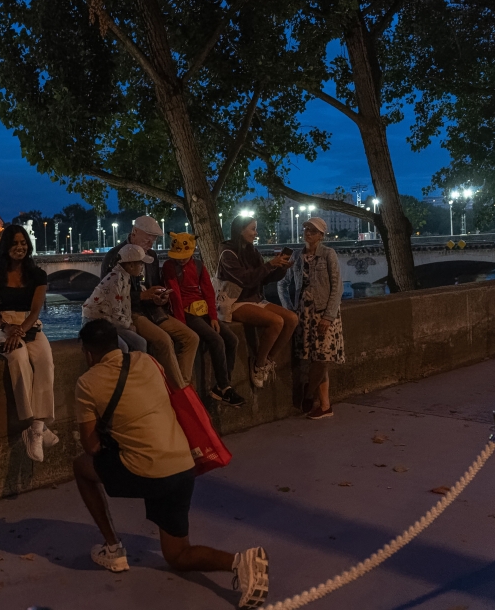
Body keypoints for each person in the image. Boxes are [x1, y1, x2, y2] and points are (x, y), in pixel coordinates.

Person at [72, 320, 269, 608]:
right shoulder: (148, 359)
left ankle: (113, 547)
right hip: (181, 465)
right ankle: (240, 562)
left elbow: (91, 446)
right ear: (118, 342)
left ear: (88, 353)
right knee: (177, 555)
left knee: (81, 467)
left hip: (148, 471)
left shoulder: (87, 383)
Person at [0, 224, 57, 463]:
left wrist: (21, 330)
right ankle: (31, 422)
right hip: (2, 326)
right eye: (15, 243)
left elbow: (35, 311)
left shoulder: (38, 275)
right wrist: (7, 329)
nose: (20, 247)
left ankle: (36, 428)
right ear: (6, 246)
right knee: (18, 357)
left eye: (23, 243)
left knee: (45, 361)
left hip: (29, 325)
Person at [101, 216, 199, 389]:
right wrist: (142, 296)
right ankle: (178, 389)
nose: (151, 243)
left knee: (192, 338)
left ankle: (182, 383)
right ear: (134, 232)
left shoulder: (151, 255)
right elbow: (108, 294)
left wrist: (160, 295)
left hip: (154, 310)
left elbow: (153, 283)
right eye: (148, 238)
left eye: (154, 239)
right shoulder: (115, 255)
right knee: (164, 341)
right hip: (131, 312)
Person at [162, 232, 245, 407]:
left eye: (185, 257)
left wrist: (214, 317)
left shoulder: (199, 266)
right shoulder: (169, 267)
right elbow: (175, 295)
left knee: (232, 339)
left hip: (203, 310)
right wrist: (182, 324)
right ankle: (225, 387)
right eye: (179, 257)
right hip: (186, 313)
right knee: (216, 340)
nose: (181, 260)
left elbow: (208, 291)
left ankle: (223, 386)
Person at [218, 216, 297, 389]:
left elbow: (265, 279)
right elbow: (245, 279)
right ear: (240, 230)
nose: (256, 233)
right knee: (276, 321)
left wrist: (280, 268)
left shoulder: (252, 252)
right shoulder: (227, 253)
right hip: (235, 302)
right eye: (252, 229)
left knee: (292, 319)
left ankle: (268, 359)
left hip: (255, 299)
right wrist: (269, 265)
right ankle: (259, 365)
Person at [277, 218, 345, 420]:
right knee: (315, 358)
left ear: (321, 235)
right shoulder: (297, 256)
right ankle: (325, 405)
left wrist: (328, 316)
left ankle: (308, 393)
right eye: (306, 229)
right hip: (304, 316)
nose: (307, 233)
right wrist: (290, 310)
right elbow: (282, 285)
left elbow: (337, 287)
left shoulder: (328, 254)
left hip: (324, 314)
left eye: (313, 231)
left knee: (322, 358)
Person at [82, 244, 151, 353]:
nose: (142, 267)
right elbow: (116, 309)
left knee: (141, 343)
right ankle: (124, 369)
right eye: (140, 263)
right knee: (122, 347)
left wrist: (129, 323)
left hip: (109, 321)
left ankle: (136, 368)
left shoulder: (125, 277)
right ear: (131, 265)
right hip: (95, 322)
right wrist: (128, 325)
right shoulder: (116, 279)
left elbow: (124, 305)